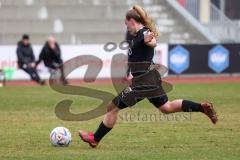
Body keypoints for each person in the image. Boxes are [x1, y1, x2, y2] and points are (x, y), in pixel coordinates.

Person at [78, 5, 218, 148]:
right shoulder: (139, 35)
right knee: (166, 107)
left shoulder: (144, 33)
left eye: (127, 25)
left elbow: (151, 42)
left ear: (132, 21)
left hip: (143, 82)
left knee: (112, 107)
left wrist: (150, 41)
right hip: (151, 79)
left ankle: (95, 138)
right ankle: (202, 108)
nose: (127, 28)